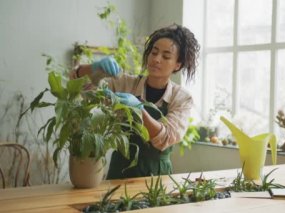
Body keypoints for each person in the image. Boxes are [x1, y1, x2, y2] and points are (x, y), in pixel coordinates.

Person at [70, 24, 200, 179]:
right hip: (120, 170)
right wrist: (93, 68)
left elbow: (164, 138)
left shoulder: (181, 98)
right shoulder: (125, 83)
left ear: (178, 65)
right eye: (154, 52)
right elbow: (82, 87)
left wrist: (138, 109)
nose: (156, 59)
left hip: (157, 176)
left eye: (166, 56)